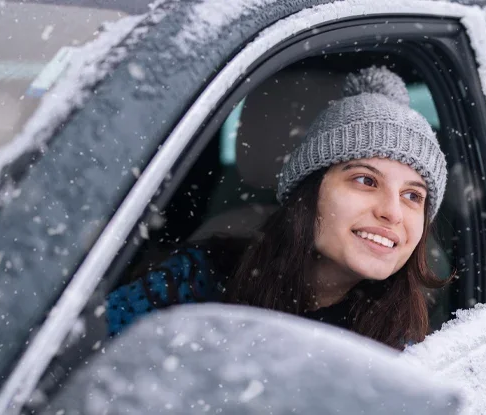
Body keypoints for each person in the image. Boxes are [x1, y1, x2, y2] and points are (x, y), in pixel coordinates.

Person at [105, 66, 451, 349]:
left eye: (413, 196)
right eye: (365, 180)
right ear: (309, 191)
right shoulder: (197, 279)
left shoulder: (404, 349)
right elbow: (88, 351)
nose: (392, 212)